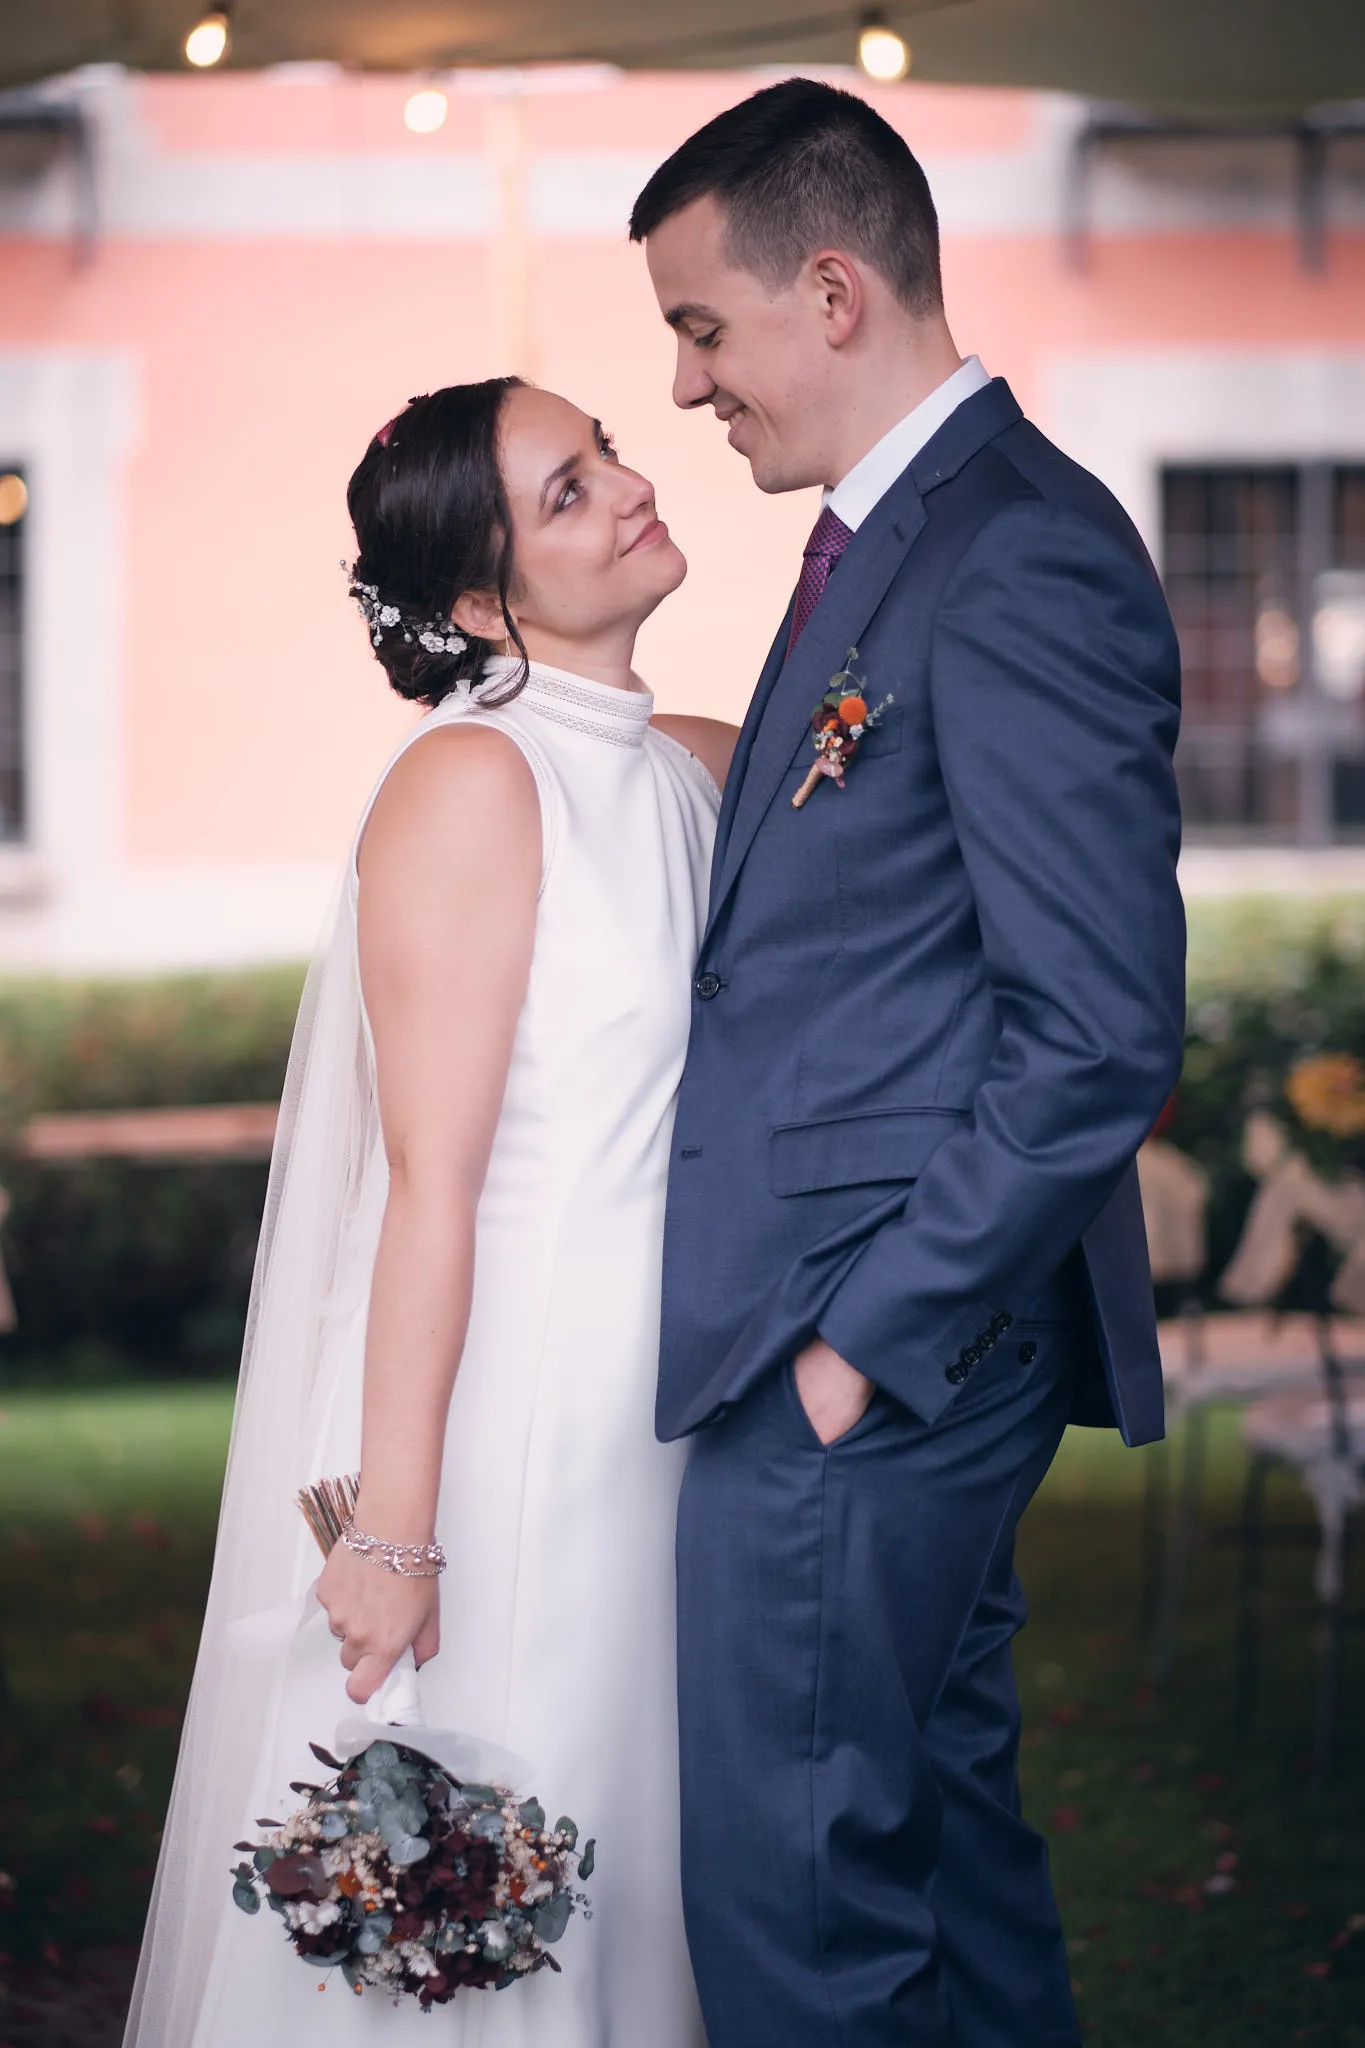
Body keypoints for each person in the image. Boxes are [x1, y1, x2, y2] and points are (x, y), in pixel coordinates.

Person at [631, 79, 1184, 2048]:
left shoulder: (1014, 553)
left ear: (834, 292)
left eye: (702, 326)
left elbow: (1099, 1028)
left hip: (876, 1338)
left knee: (799, 1906)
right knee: (936, 1862)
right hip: (871, 1339)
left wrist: (855, 1349)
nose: (686, 385)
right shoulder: (900, 537)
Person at [123, 379, 730, 2047]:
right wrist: (394, 1535)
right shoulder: (472, 781)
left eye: (606, 453)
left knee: (633, 1858)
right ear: (478, 604)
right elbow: (431, 1183)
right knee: (485, 1867)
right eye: (568, 490)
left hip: (651, 1419)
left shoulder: (680, 764)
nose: (630, 486)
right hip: (499, 1420)